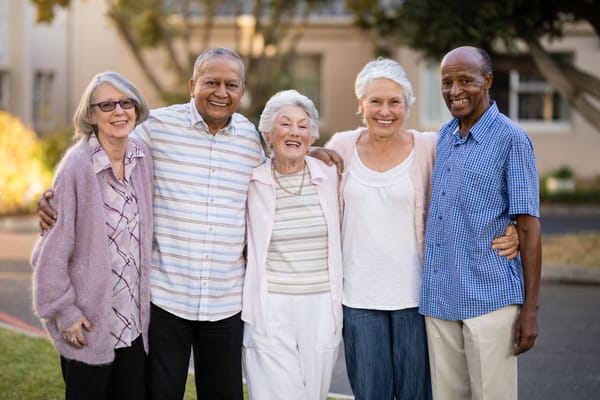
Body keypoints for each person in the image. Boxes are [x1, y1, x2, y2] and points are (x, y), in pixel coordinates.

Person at [36, 47, 342, 400]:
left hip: (226, 303)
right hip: (167, 302)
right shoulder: (157, 128)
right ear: (192, 85)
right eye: (211, 82)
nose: (221, 92)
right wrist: (52, 192)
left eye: (231, 84)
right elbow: (105, 147)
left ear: (242, 91)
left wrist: (311, 150)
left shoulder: (250, 139)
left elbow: (283, 156)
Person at [325, 58, 520, 400]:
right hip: (357, 299)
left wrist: (513, 224)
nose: (385, 111)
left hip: (418, 298)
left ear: (408, 106)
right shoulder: (341, 146)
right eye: (375, 101)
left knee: (418, 394)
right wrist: (310, 152)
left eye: (394, 102)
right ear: (361, 105)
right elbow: (308, 183)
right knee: (370, 393)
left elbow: (475, 185)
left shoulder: (431, 146)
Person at [419, 46, 542, 400]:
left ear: (487, 81)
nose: (454, 90)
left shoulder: (511, 139)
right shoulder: (443, 137)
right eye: (446, 82)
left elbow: (529, 227)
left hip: (489, 299)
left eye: (464, 81)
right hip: (440, 300)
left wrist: (530, 311)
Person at [31, 71, 153, 400]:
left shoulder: (142, 158)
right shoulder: (76, 167)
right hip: (88, 324)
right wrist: (65, 313)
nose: (118, 111)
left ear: (137, 108)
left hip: (132, 326)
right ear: (91, 114)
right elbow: (51, 252)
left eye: (126, 103)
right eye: (107, 105)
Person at [242, 90, 343, 399]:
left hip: (321, 304)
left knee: (313, 394)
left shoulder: (331, 177)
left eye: (303, 125)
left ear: (312, 136)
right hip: (270, 305)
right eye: (285, 124)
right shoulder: (251, 181)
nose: (295, 132)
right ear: (269, 134)